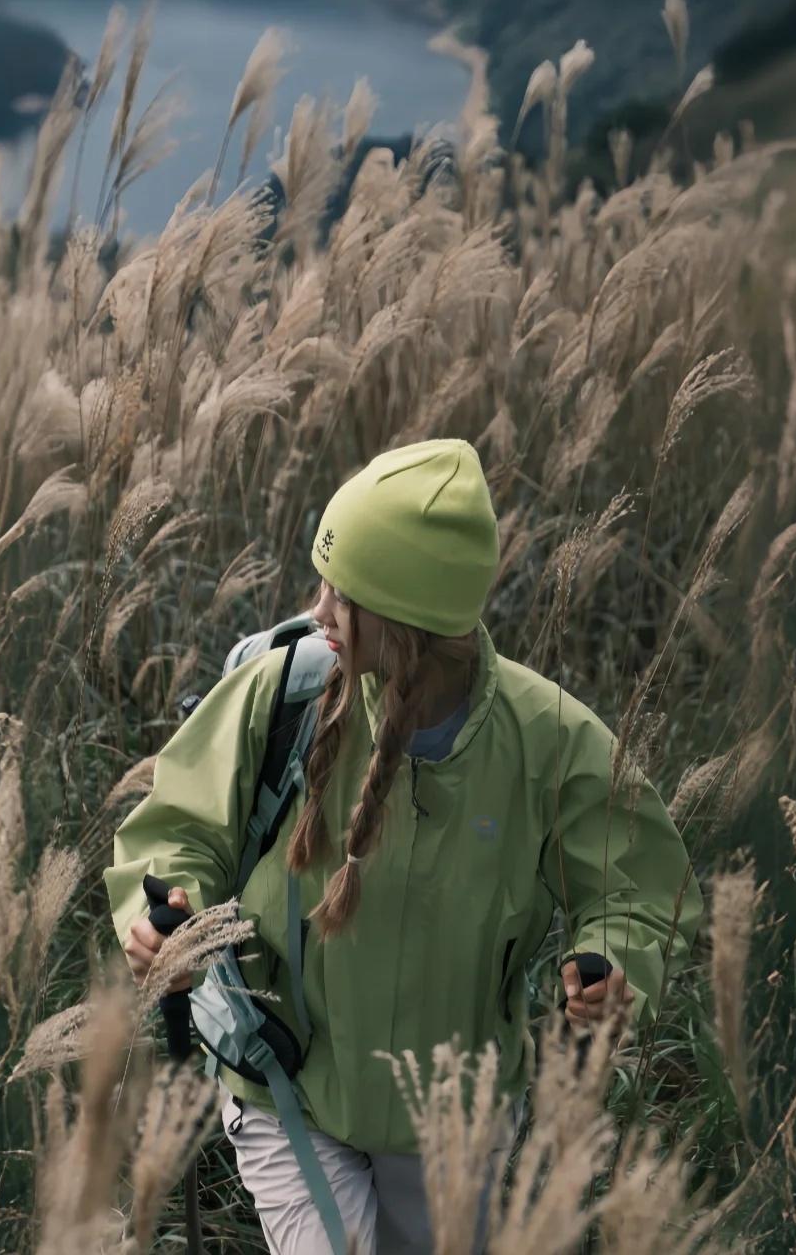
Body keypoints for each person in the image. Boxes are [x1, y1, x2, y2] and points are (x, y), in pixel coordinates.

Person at [105, 437, 704, 1254]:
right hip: (289, 1089)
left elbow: (642, 891)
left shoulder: (551, 739)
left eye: (342, 594)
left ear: (409, 623)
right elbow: (177, 827)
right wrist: (170, 914)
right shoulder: (285, 693)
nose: (316, 611)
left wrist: (615, 966)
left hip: (456, 1123)